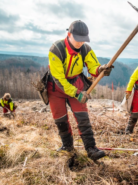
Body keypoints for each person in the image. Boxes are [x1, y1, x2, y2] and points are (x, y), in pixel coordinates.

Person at [47, 20, 113, 161]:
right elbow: (59, 79)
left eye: (83, 40)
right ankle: (67, 147)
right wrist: (76, 93)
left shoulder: (85, 49)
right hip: (56, 87)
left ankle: (91, 148)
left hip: (76, 83)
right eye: (78, 39)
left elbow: (93, 66)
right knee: (61, 119)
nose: (80, 43)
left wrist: (101, 69)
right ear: (69, 34)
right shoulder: (56, 49)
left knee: (83, 117)